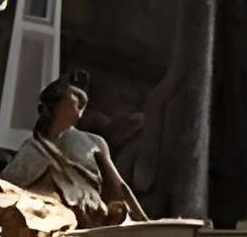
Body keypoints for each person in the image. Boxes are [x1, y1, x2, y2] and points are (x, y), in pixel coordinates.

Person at [9, 79, 149, 227]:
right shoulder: (31, 147)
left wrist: (146, 223)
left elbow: (119, 187)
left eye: (83, 104)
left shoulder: (94, 143)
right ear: (54, 106)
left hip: (87, 216)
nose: (81, 108)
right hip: (41, 218)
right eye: (75, 101)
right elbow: (10, 185)